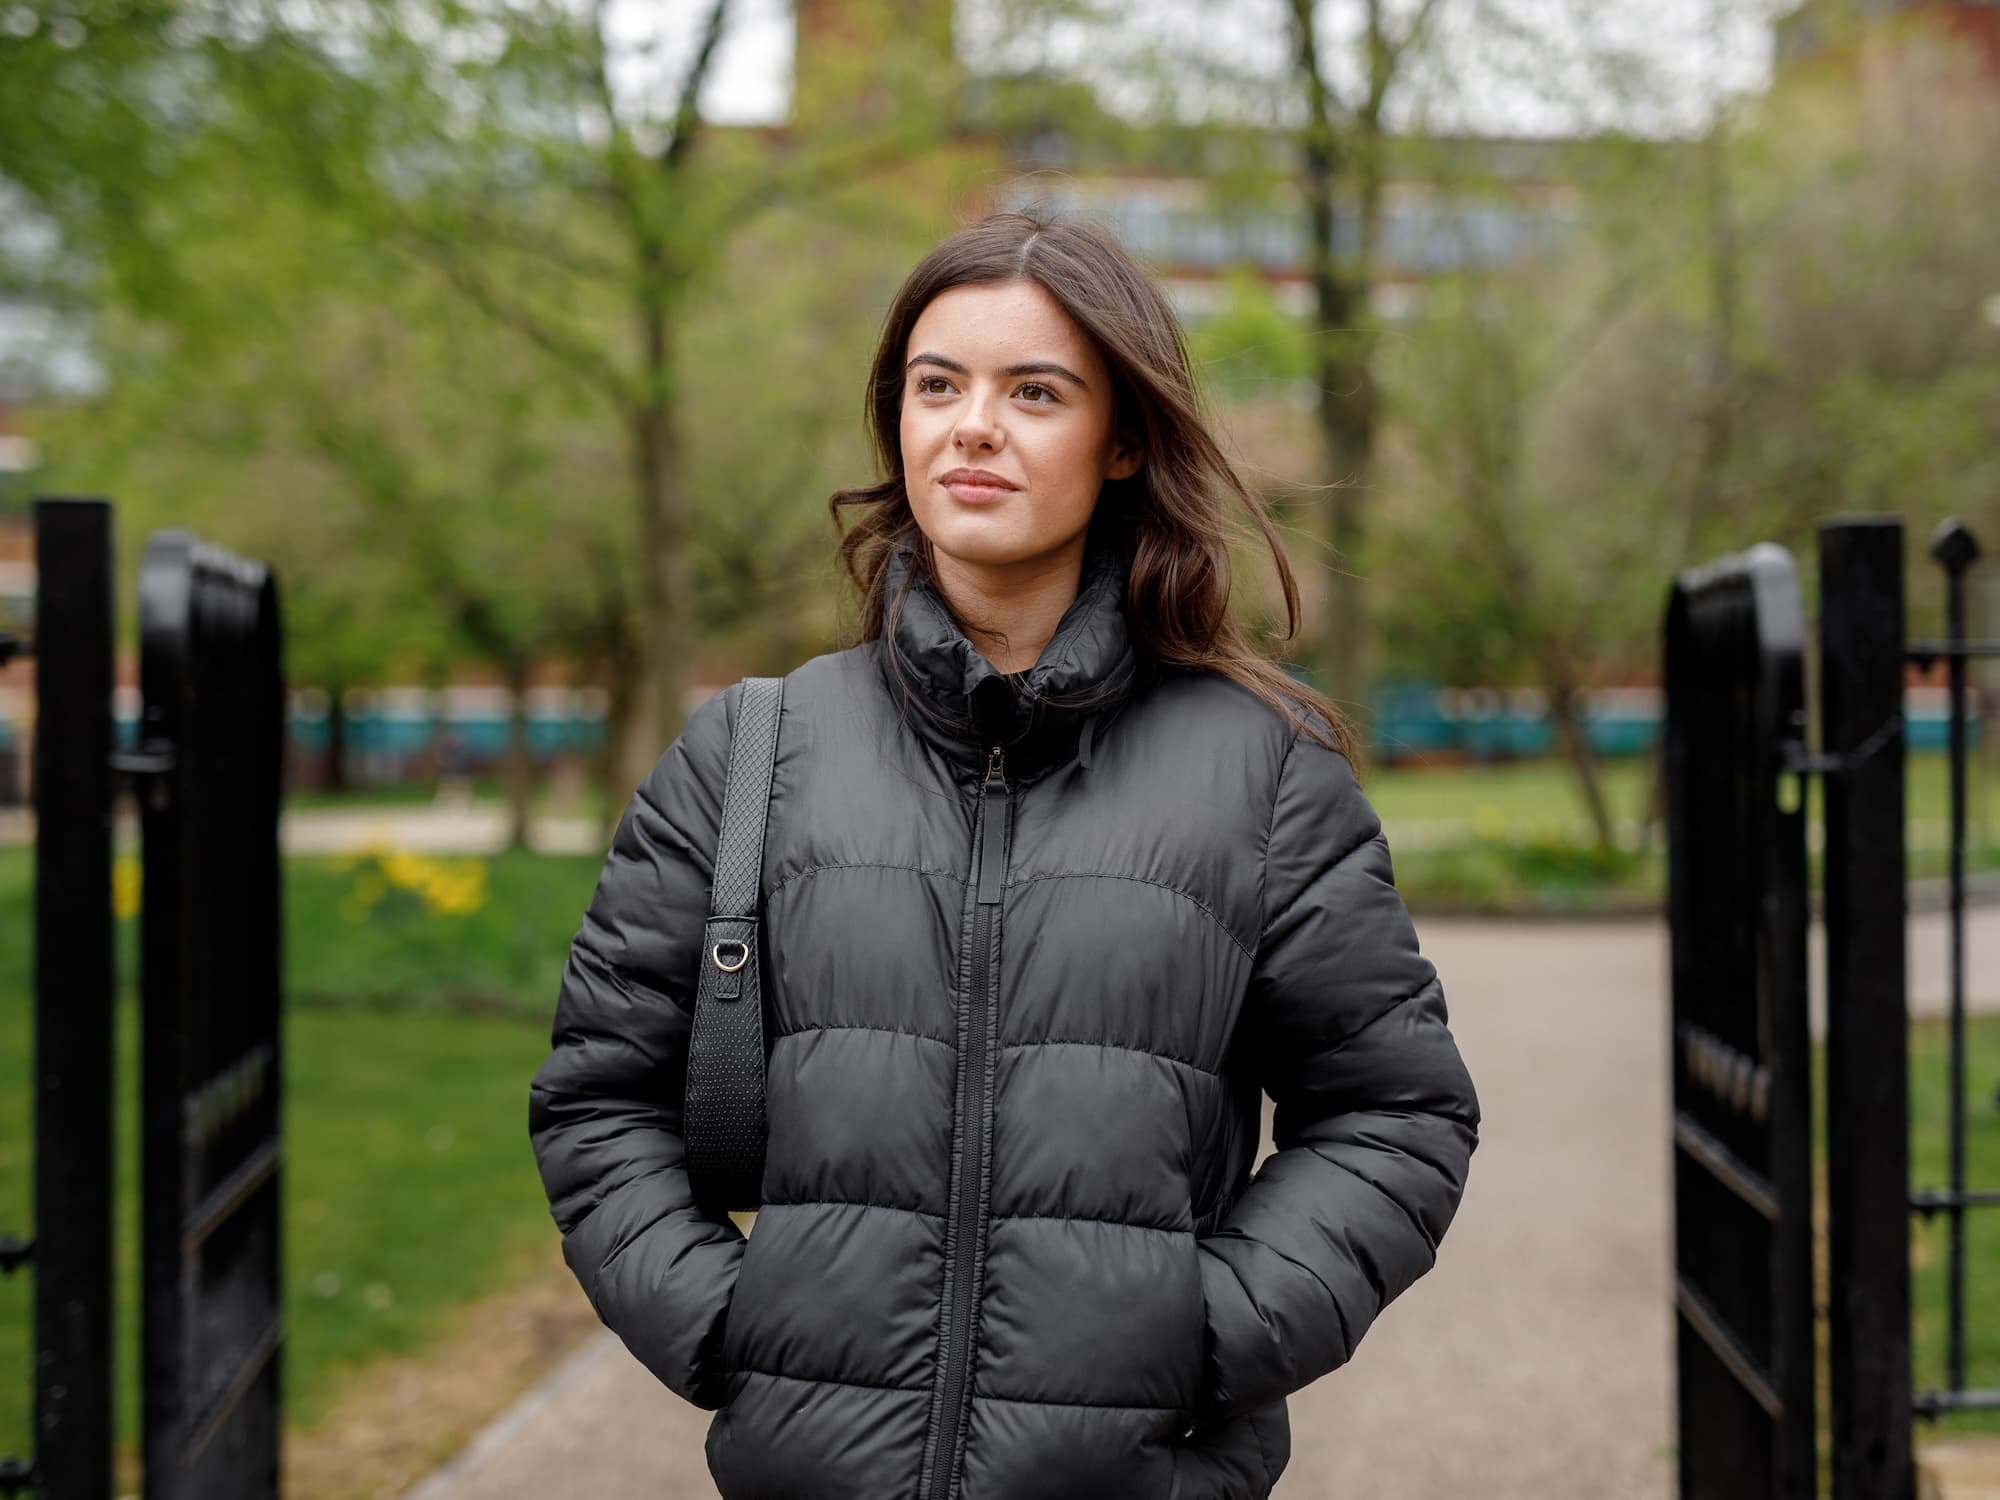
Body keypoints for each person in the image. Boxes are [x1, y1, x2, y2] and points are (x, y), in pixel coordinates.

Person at [528, 208, 1481, 1500]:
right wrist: (728, 1327)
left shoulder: (1264, 779)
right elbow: (598, 1100)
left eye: (1034, 391)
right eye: (938, 386)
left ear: (1126, 439)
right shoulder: (751, 753)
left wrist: (1202, 1336)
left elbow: (1396, 1114)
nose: (972, 425)